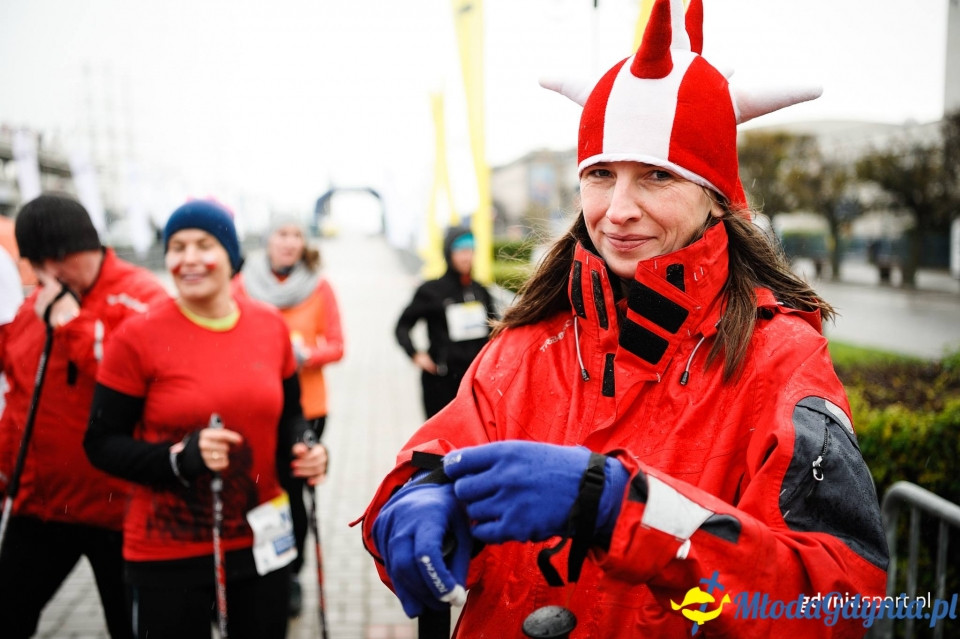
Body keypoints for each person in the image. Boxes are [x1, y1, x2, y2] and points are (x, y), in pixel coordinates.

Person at [358, 1, 888, 636]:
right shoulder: (529, 343)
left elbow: (837, 599)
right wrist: (411, 504)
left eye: (657, 176)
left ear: (716, 196)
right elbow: (434, 453)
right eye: (601, 174)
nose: (618, 210)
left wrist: (621, 509)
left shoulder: (781, 360)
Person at [84, 199, 329, 639]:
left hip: (262, 541)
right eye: (177, 247)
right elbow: (100, 443)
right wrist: (179, 458)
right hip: (169, 548)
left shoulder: (269, 327)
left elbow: (291, 415)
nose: (189, 258)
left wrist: (307, 446)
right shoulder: (136, 338)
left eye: (204, 244)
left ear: (231, 256)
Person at [0, 194, 168, 639]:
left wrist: (74, 325)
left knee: (132, 628)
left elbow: (150, 375)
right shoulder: (34, 308)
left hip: (118, 510)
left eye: (59, 262)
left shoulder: (141, 294)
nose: (48, 276)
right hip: (42, 506)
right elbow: (20, 398)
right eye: (38, 265)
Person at [234, 213, 344, 616]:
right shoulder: (242, 284)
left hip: (307, 409)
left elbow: (337, 345)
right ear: (267, 239)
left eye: (297, 235)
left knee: (292, 493)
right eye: (282, 233)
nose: (289, 242)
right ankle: (251, 567)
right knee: (257, 488)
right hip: (254, 406)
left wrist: (302, 355)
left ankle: (290, 572)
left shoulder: (319, 287)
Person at [394, 225, 498, 418]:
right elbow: (402, 326)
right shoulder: (431, 291)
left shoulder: (480, 291)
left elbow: (496, 329)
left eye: (470, 250)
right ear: (449, 253)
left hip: (476, 381)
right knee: (439, 444)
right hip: (441, 381)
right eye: (460, 251)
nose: (466, 257)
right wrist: (415, 354)